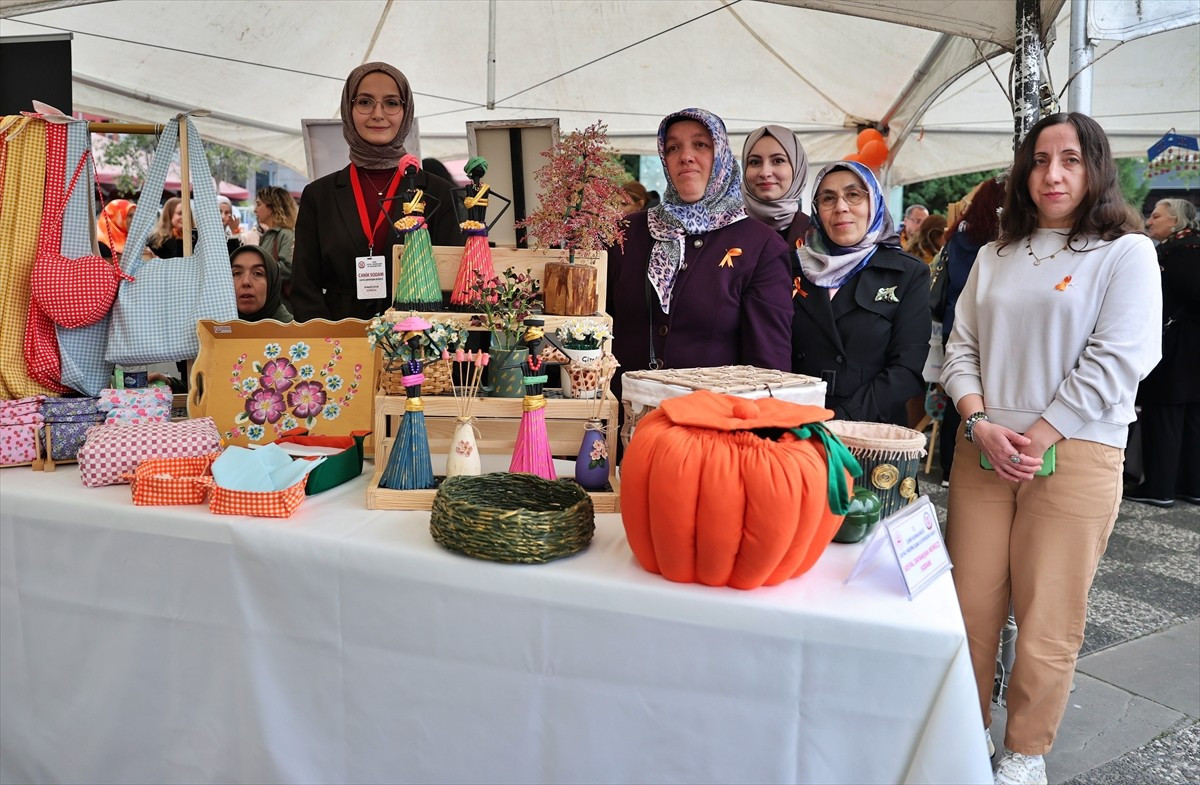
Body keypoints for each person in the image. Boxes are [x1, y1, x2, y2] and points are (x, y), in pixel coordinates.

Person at [941, 112, 1161, 785]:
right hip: (983, 447)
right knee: (970, 602)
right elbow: (960, 349)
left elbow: (1122, 356)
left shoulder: (1125, 252)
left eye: (1069, 158)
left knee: (1048, 611)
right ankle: (965, 727)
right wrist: (978, 420)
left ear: (1096, 167)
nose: (1052, 173)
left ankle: (1026, 748)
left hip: (1075, 452)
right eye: (1039, 159)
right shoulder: (994, 255)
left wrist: (1036, 437)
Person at [606, 107, 793, 390]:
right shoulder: (625, 233)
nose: (686, 156)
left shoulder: (761, 246)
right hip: (623, 419)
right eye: (673, 148)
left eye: (701, 144)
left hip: (710, 424)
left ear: (721, 155)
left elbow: (769, 368)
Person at [291, 62, 461, 322]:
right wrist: (329, 342)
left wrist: (430, 343)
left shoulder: (440, 193)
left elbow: (454, 282)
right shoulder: (318, 196)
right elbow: (304, 286)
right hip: (339, 343)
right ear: (349, 109)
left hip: (419, 344)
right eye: (365, 102)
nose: (378, 114)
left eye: (391, 103)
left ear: (406, 111)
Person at [791, 160, 930, 424]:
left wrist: (840, 419)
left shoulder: (907, 273)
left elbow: (906, 369)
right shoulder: (792, 267)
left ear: (873, 203)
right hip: (798, 426)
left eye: (853, 195)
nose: (841, 207)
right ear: (816, 210)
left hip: (869, 430)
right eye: (828, 198)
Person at [1125, 198, 1200, 507]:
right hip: (1192, 349)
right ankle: (1190, 485)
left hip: (1176, 348)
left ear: (1176, 221)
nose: (1149, 220)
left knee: (1165, 416)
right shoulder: (1191, 248)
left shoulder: (1176, 253)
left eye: (1156, 216)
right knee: (1193, 418)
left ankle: (1160, 487)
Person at [936, 176, 1006, 484]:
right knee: (982, 392)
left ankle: (950, 465)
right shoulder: (995, 242)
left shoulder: (959, 234)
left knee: (958, 393)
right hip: (986, 325)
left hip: (954, 321)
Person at [741, 124, 810, 248]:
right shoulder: (722, 232)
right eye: (755, 162)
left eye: (778, 161)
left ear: (798, 169)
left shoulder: (819, 235)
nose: (765, 173)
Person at [253, 186, 297, 298]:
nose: (255, 210)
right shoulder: (270, 234)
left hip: (282, 302)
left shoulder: (286, 235)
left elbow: (288, 268)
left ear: (271, 208)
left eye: (258, 204)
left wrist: (257, 271)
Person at [230, 244, 292, 322]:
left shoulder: (295, 332)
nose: (246, 282)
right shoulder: (216, 329)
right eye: (237, 273)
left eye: (257, 273)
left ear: (272, 283)